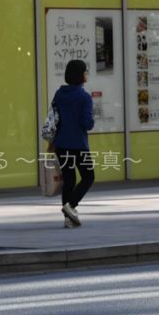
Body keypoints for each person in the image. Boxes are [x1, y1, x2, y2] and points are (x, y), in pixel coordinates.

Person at [51, 59, 95, 228]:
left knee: (69, 180)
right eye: (85, 71)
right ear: (81, 75)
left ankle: (68, 220)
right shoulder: (84, 97)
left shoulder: (59, 94)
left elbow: (53, 119)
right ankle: (70, 207)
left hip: (61, 144)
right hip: (79, 145)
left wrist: (51, 142)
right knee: (88, 177)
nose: (87, 74)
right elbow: (87, 124)